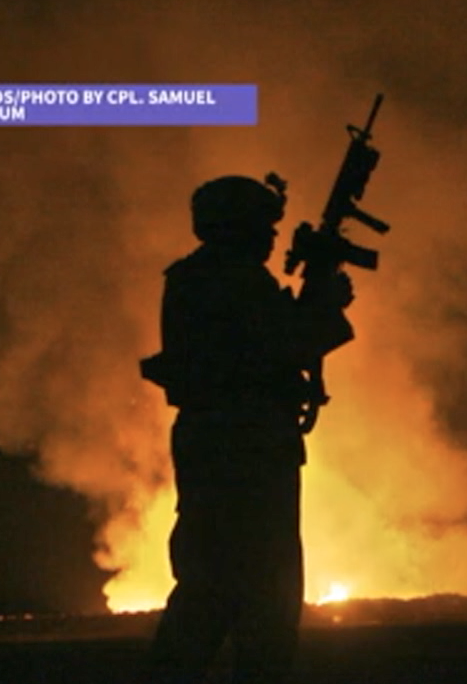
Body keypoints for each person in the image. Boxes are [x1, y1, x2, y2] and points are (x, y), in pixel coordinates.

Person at [139, 175, 354, 683]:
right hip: (247, 447)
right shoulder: (231, 282)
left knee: (212, 587)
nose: (272, 237)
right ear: (238, 228)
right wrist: (326, 300)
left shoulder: (200, 278)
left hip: (225, 442)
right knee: (257, 598)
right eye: (263, 225)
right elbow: (282, 345)